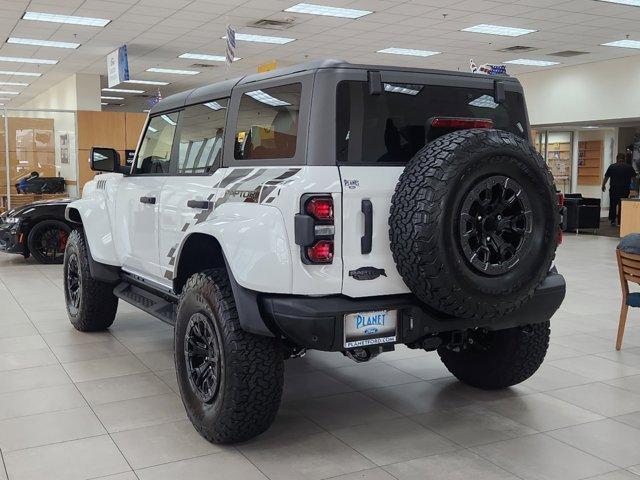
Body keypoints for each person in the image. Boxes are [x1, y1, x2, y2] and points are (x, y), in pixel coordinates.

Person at [602, 153, 636, 226]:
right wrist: (636, 188)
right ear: (625, 159)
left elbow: (606, 177)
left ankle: (612, 220)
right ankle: (620, 221)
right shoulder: (629, 167)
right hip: (624, 189)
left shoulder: (612, 166)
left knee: (613, 204)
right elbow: (634, 178)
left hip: (614, 189)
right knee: (622, 205)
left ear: (617, 159)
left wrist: (603, 185)